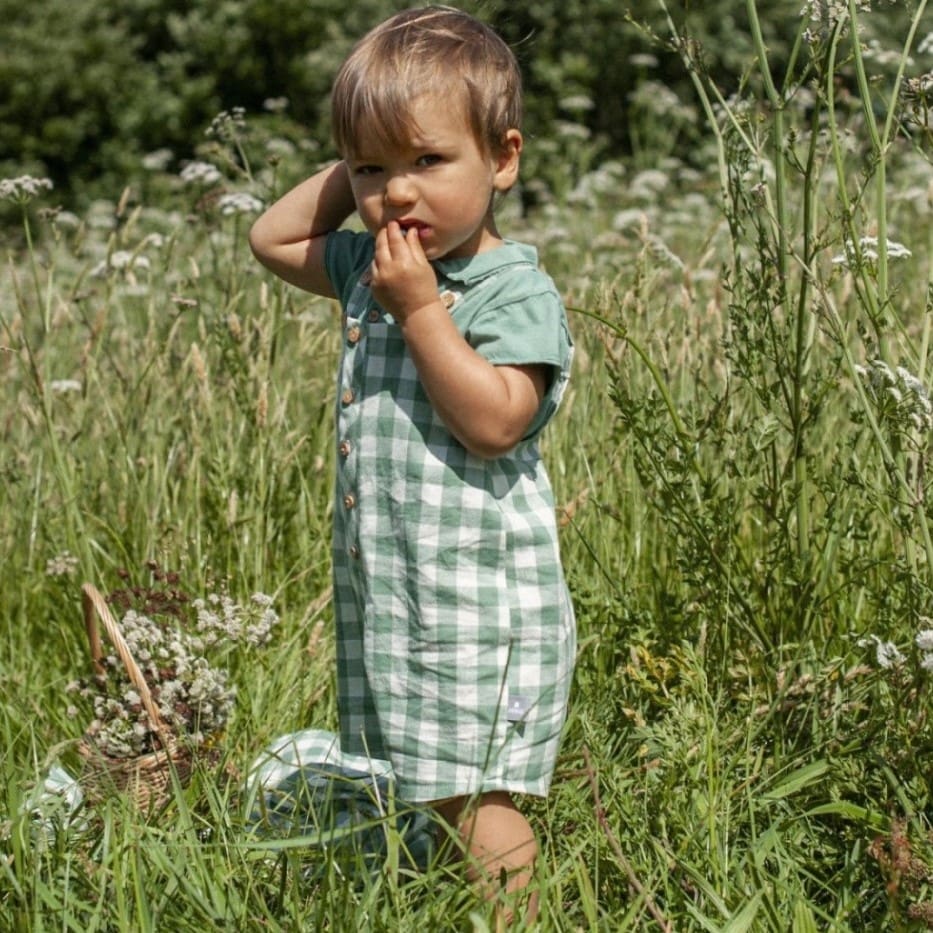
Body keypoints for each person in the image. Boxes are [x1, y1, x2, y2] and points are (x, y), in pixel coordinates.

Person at [249, 6, 575, 921]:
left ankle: (516, 917)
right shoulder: (375, 262)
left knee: (473, 788)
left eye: (428, 162)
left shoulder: (509, 288)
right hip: (399, 588)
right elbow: (270, 240)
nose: (397, 195)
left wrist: (423, 310)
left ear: (502, 159)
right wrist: (370, 154)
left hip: (477, 594)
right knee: (427, 769)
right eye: (372, 170)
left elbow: (497, 421)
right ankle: (446, 897)